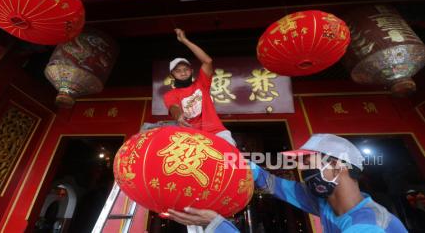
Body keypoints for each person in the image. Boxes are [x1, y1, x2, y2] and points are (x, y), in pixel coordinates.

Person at [166, 134, 408, 233]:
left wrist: (216, 224)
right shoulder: (326, 204)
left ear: (338, 166)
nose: (300, 168)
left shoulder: (366, 226)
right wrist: (231, 156)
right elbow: (271, 184)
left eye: (306, 161)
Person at [163, 28, 236, 147]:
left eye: (186, 69)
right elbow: (173, 107)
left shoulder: (201, 83)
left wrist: (185, 40)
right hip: (192, 137)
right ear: (172, 75)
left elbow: (208, 61)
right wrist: (179, 116)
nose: (183, 73)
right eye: (178, 71)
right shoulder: (170, 95)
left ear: (191, 71)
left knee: (229, 158)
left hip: (217, 132)